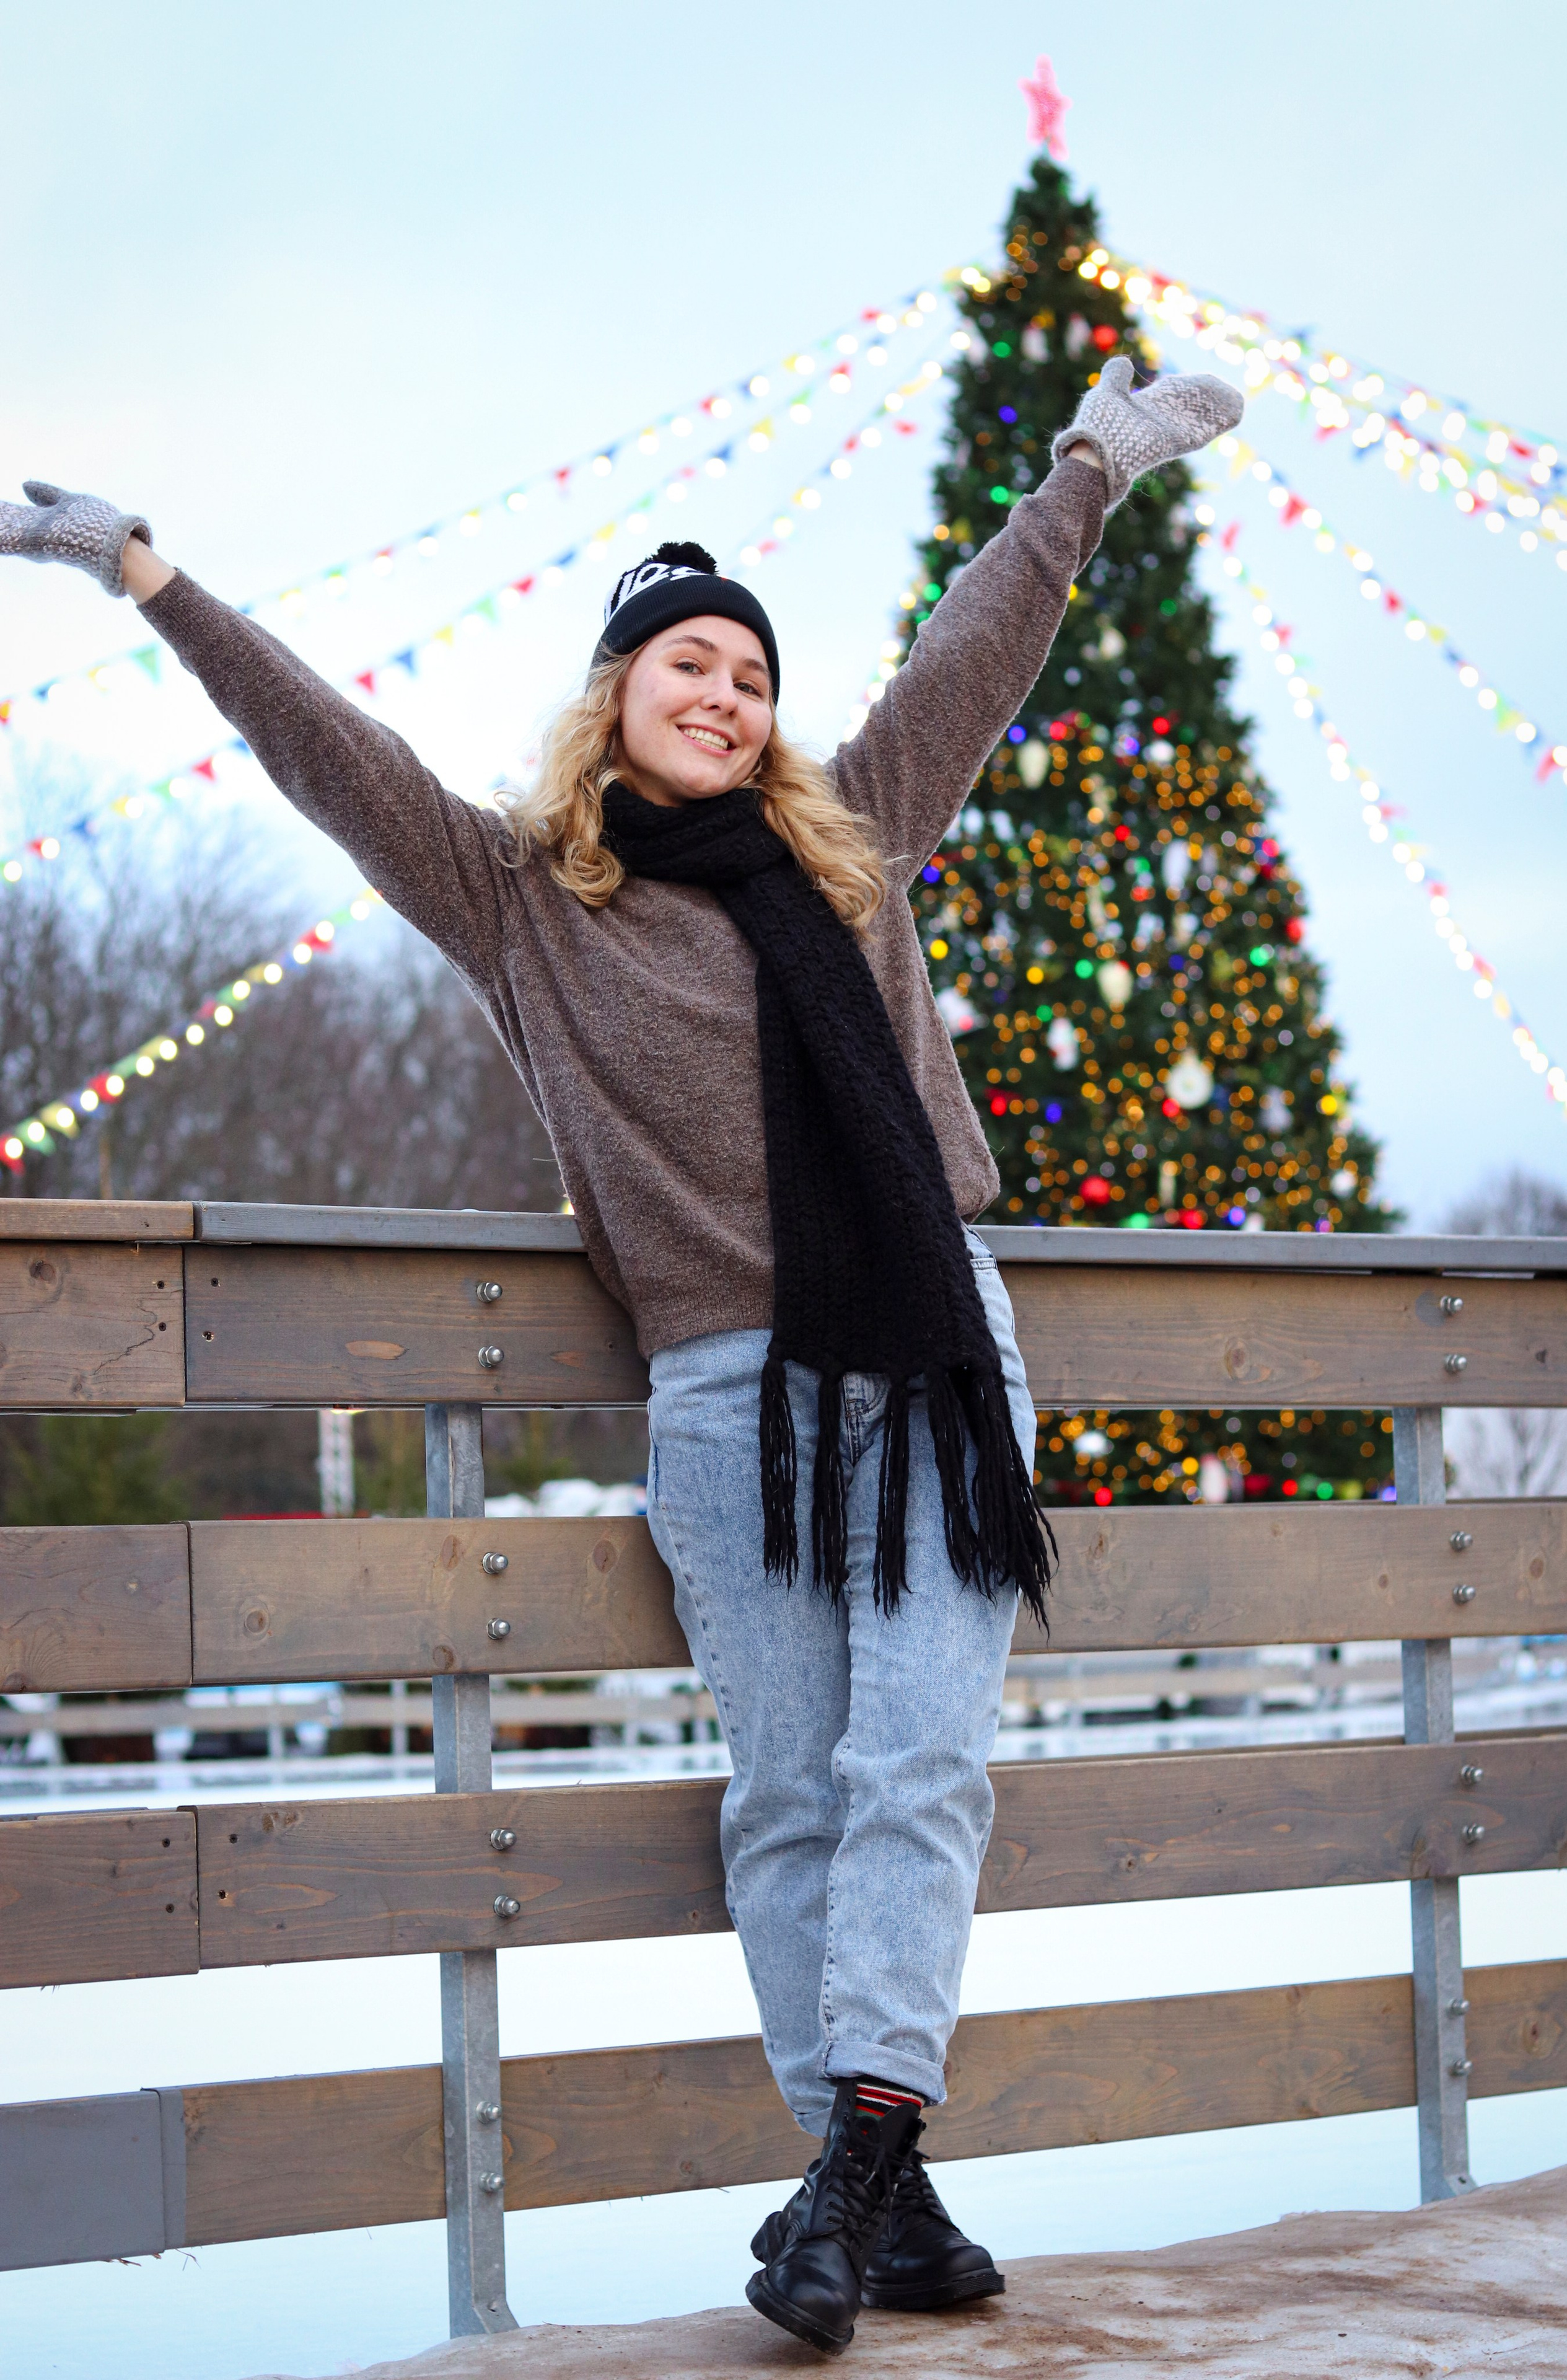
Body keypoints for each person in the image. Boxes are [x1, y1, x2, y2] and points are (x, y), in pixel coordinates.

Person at [0, 354, 1240, 2355]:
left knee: (919, 1759)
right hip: (729, 1398)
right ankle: (889, 2208)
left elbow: (974, 655)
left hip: (931, 1368)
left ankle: (840, 2187)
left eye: (749, 667)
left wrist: (1091, 464)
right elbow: (334, 759)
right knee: (789, 1797)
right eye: (687, 663)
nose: (725, 692)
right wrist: (152, 577)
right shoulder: (523, 900)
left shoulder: (854, 846)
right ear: (619, 696)